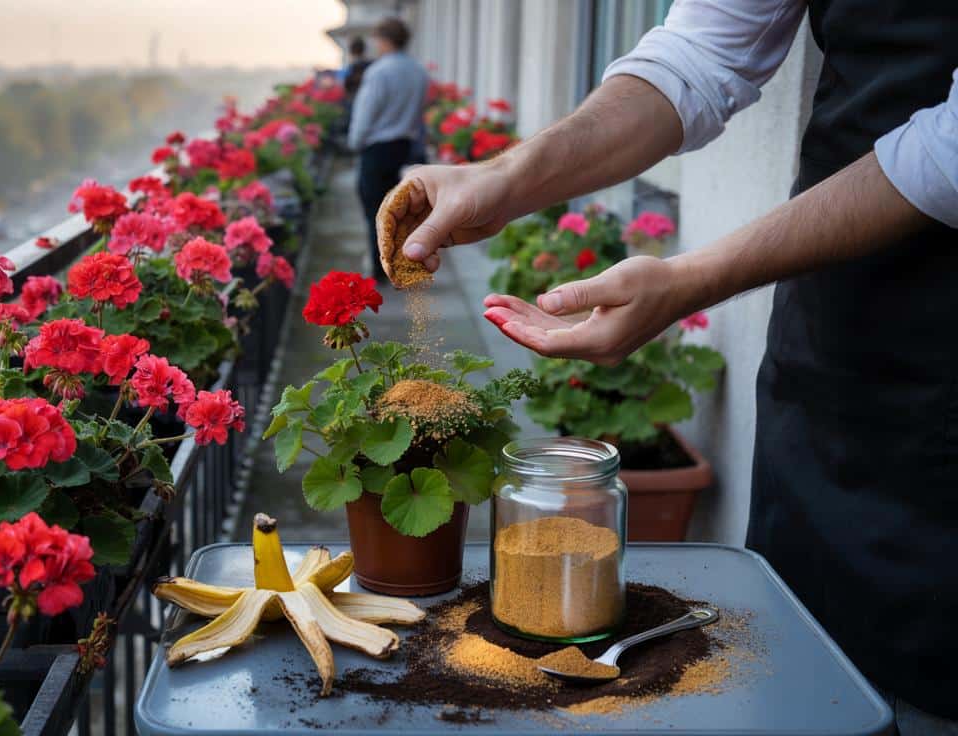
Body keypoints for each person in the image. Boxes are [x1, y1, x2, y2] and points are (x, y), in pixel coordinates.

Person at [381, 0, 957, 731]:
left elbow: (951, 151)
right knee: (802, 647)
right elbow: (699, 54)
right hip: (836, 327)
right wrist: (505, 176)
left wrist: (690, 280)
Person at [349, 16, 428, 283]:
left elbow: (364, 115)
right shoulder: (418, 71)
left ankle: (381, 269)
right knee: (400, 212)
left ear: (383, 40)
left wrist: (354, 143)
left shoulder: (380, 71)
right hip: (405, 147)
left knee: (376, 211)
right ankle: (402, 265)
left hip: (377, 149)